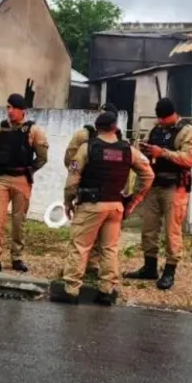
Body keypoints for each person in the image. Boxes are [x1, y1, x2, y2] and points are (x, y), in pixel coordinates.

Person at [50, 111, 154, 305]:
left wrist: (68, 201)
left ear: (96, 129)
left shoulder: (87, 148)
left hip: (91, 205)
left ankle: (71, 290)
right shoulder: (128, 150)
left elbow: (73, 178)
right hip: (115, 206)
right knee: (109, 249)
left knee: (80, 246)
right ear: (115, 128)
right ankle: (106, 290)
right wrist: (133, 200)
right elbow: (148, 175)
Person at [123, 98, 192, 290]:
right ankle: (149, 267)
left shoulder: (187, 132)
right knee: (149, 228)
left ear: (173, 114)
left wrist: (163, 153)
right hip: (154, 185)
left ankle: (169, 271)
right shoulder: (155, 130)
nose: (160, 122)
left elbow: (189, 159)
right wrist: (145, 151)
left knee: (172, 231)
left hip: (175, 187)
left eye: (163, 119)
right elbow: (150, 152)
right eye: (159, 119)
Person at [0, 93, 49, 273]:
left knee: (19, 222)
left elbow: (42, 157)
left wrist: (30, 170)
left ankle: (17, 257)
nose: (9, 111)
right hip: (2, 179)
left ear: (22, 110)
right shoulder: (1, 129)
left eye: (13, 108)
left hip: (21, 181)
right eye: (8, 108)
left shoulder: (33, 131)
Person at [63, 102, 126, 277]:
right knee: (100, 241)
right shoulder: (118, 141)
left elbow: (71, 162)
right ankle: (92, 272)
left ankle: (81, 274)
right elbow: (71, 160)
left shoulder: (89, 137)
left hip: (96, 195)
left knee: (87, 238)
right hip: (104, 194)